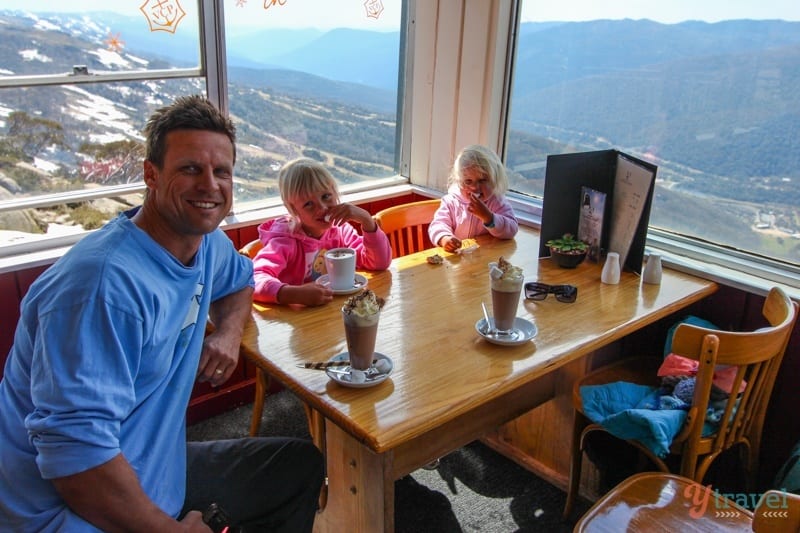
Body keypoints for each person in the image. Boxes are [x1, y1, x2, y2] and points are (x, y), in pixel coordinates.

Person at [0, 95, 323, 532]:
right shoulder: (101, 287)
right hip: (67, 511)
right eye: (190, 168)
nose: (210, 185)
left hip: (149, 463)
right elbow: (76, 460)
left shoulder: (205, 243)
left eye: (221, 171)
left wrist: (227, 335)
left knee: (296, 465)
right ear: (151, 174)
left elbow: (241, 281)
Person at [252, 157, 392, 306]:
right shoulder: (285, 242)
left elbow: (379, 263)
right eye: (308, 204)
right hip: (299, 319)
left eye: (326, 196)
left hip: (334, 313)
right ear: (294, 210)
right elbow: (254, 279)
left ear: (335, 193)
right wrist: (292, 294)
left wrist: (367, 221)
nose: (322, 208)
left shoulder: (341, 231)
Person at [428, 144, 518, 252]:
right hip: (458, 258)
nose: (475, 187)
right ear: (459, 181)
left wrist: (489, 218)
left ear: (495, 180)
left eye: (482, 180)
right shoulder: (451, 201)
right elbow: (438, 224)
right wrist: (445, 238)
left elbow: (512, 229)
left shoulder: (496, 201)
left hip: (485, 259)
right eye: (468, 181)